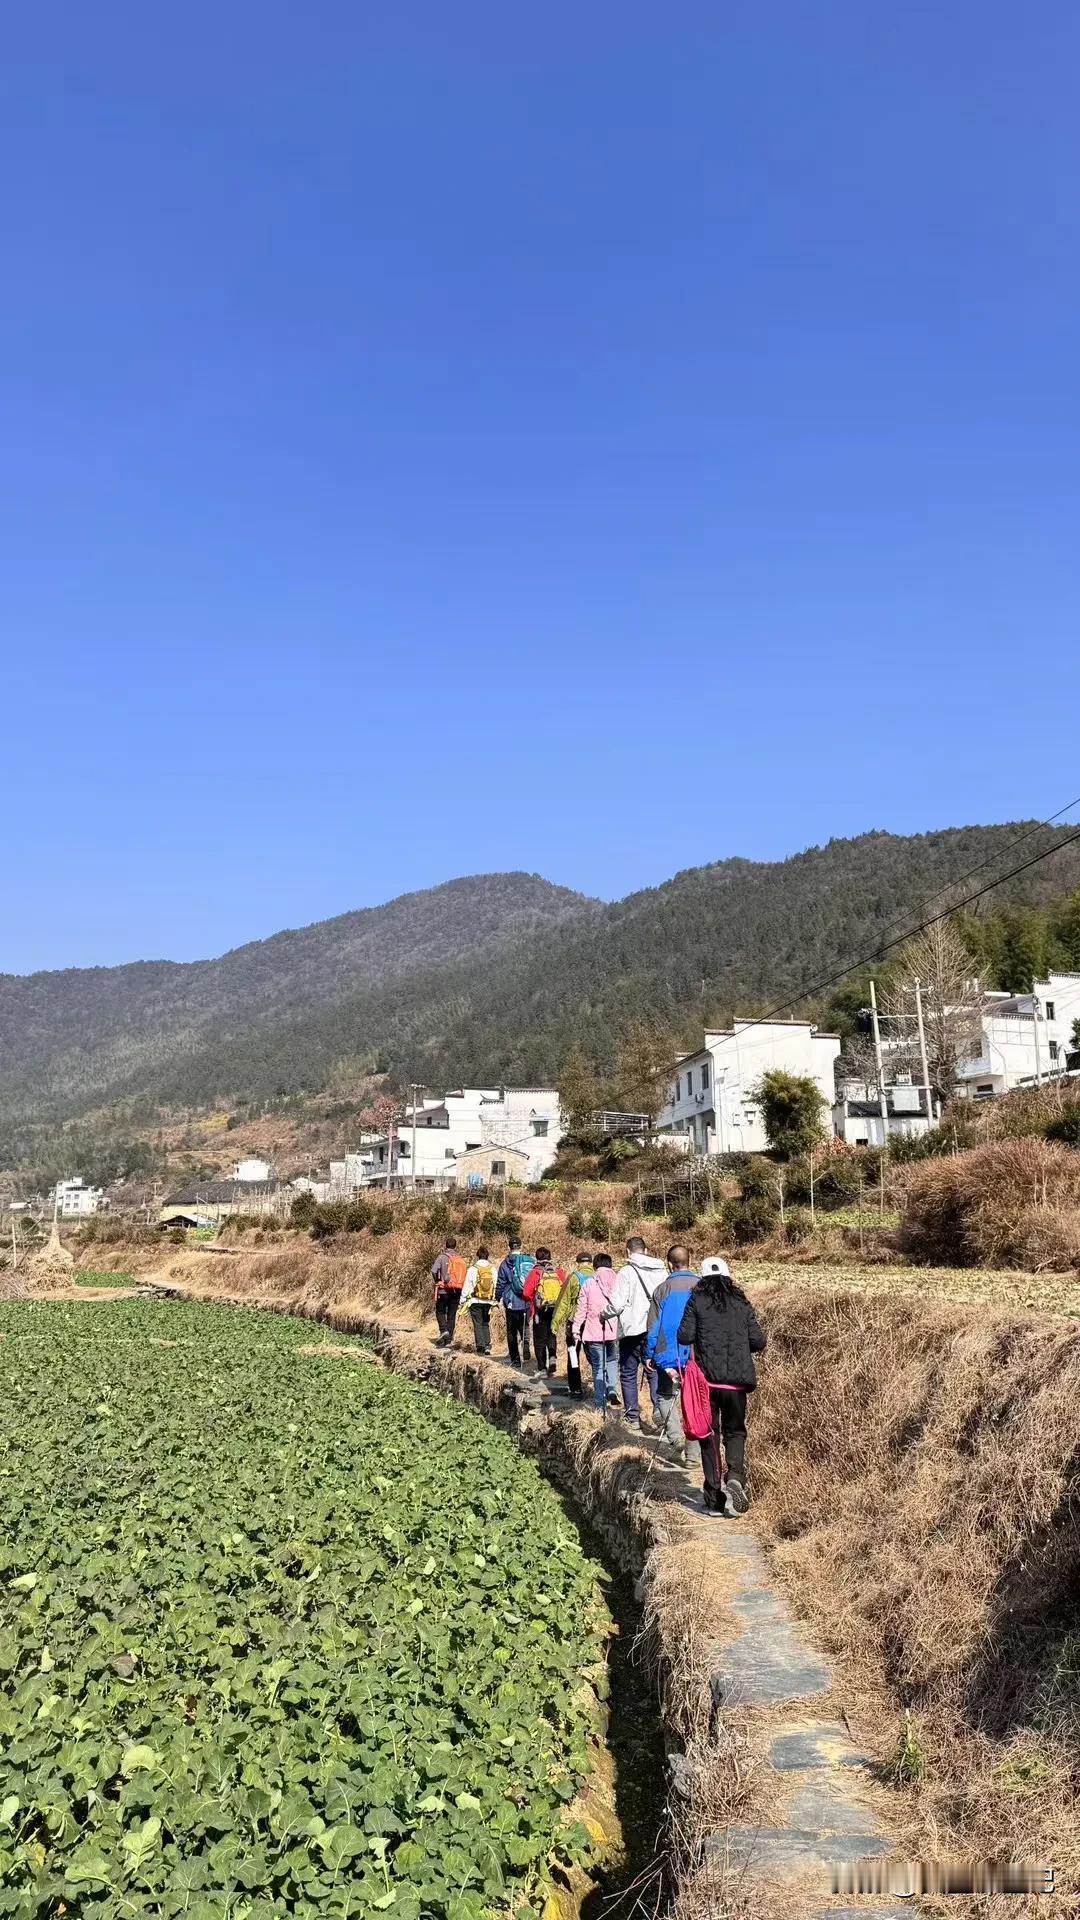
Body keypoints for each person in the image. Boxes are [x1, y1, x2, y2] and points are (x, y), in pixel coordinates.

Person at [677, 1256, 766, 1516]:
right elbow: (759, 1341)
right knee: (735, 1432)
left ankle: (715, 1495)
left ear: (702, 1278)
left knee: (710, 1435)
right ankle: (736, 1476)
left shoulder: (697, 1300)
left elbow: (684, 1335)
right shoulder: (741, 1302)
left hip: (708, 1382)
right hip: (737, 1383)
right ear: (728, 1276)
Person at [645, 1245, 699, 1458]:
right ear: (690, 1260)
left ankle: (676, 1437)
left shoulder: (662, 1290)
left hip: (667, 1353)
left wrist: (649, 1353)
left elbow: (653, 1325)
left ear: (669, 1264)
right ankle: (693, 1456)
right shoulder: (701, 1286)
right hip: (695, 1354)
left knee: (665, 1396)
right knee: (692, 1400)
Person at [611, 1237, 667, 1428]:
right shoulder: (661, 1270)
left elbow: (617, 1304)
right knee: (654, 1370)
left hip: (633, 1329)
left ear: (628, 1252)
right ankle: (660, 1410)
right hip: (656, 1328)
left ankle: (632, 1417)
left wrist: (604, 1315)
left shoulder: (626, 1272)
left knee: (628, 1372)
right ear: (646, 1250)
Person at [571, 1253, 621, 1412]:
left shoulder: (589, 1284)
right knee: (612, 1361)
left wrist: (576, 1328)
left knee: (598, 1367)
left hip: (593, 1331)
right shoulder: (619, 1283)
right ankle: (612, 1388)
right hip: (614, 1331)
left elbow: (581, 1309)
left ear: (595, 1266)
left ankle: (600, 1403)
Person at [523, 1246, 568, 1378]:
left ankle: (542, 1368)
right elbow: (564, 1290)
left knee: (539, 1338)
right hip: (555, 1309)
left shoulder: (535, 1272)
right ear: (550, 1257)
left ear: (537, 1258)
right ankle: (553, 1358)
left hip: (539, 1310)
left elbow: (526, 1293)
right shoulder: (558, 1272)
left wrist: (533, 1299)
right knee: (552, 1334)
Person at [553, 1254, 591, 1397]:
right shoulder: (598, 1277)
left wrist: (555, 1323)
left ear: (578, 1263)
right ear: (591, 1263)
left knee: (573, 1353)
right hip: (593, 1322)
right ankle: (601, 1389)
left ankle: (575, 1388)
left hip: (574, 1321)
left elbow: (563, 1302)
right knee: (594, 1355)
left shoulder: (574, 1277)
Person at [496, 1236, 536, 1368]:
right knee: (524, 1325)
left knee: (512, 1331)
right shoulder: (529, 1261)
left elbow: (501, 1282)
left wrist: (497, 1296)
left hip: (511, 1300)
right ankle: (525, 1342)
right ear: (520, 1246)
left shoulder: (505, 1263)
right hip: (526, 1299)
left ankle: (515, 1359)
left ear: (509, 1246)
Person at [459, 1244, 498, 1354]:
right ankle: (487, 1345)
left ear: (478, 1256)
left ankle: (480, 1346)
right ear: (487, 1256)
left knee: (478, 1323)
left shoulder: (473, 1269)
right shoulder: (493, 1269)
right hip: (489, 1301)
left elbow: (467, 1286)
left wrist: (462, 1301)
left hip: (475, 1300)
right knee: (485, 1322)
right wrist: (496, 1300)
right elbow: (496, 1285)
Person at [430, 1238, 467, 1346]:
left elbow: (433, 1270)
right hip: (456, 1290)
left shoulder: (441, 1257)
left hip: (443, 1290)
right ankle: (449, 1339)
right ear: (455, 1246)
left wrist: (437, 1281)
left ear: (445, 1245)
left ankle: (443, 1330)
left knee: (440, 1311)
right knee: (452, 1314)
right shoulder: (460, 1259)